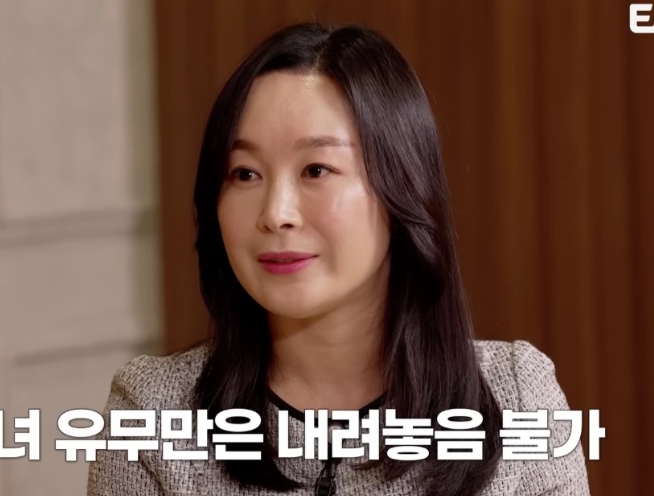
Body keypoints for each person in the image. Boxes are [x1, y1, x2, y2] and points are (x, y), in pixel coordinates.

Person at [88, 22, 590, 496]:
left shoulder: (518, 399)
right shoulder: (151, 416)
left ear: (403, 187)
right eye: (245, 174)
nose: (276, 214)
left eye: (316, 169)